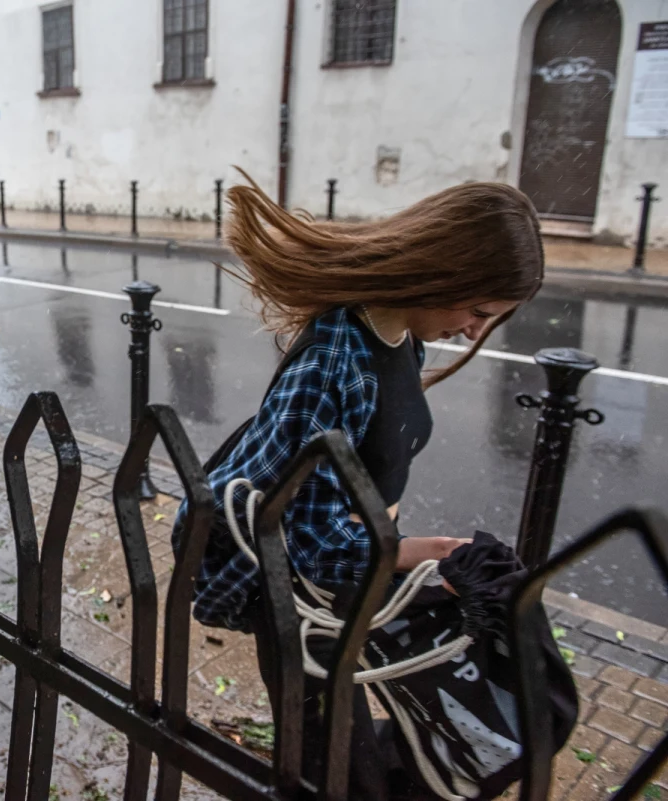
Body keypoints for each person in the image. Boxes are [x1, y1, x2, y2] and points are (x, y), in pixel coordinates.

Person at [174, 172, 545, 799]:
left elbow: (358, 474)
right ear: (440, 271)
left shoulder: (401, 336)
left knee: (353, 749)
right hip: (304, 601)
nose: (475, 331)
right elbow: (297, 528)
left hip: (353, 582)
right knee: (328, 758)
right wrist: (414, 553)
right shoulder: (334, 359)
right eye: (477, 311)